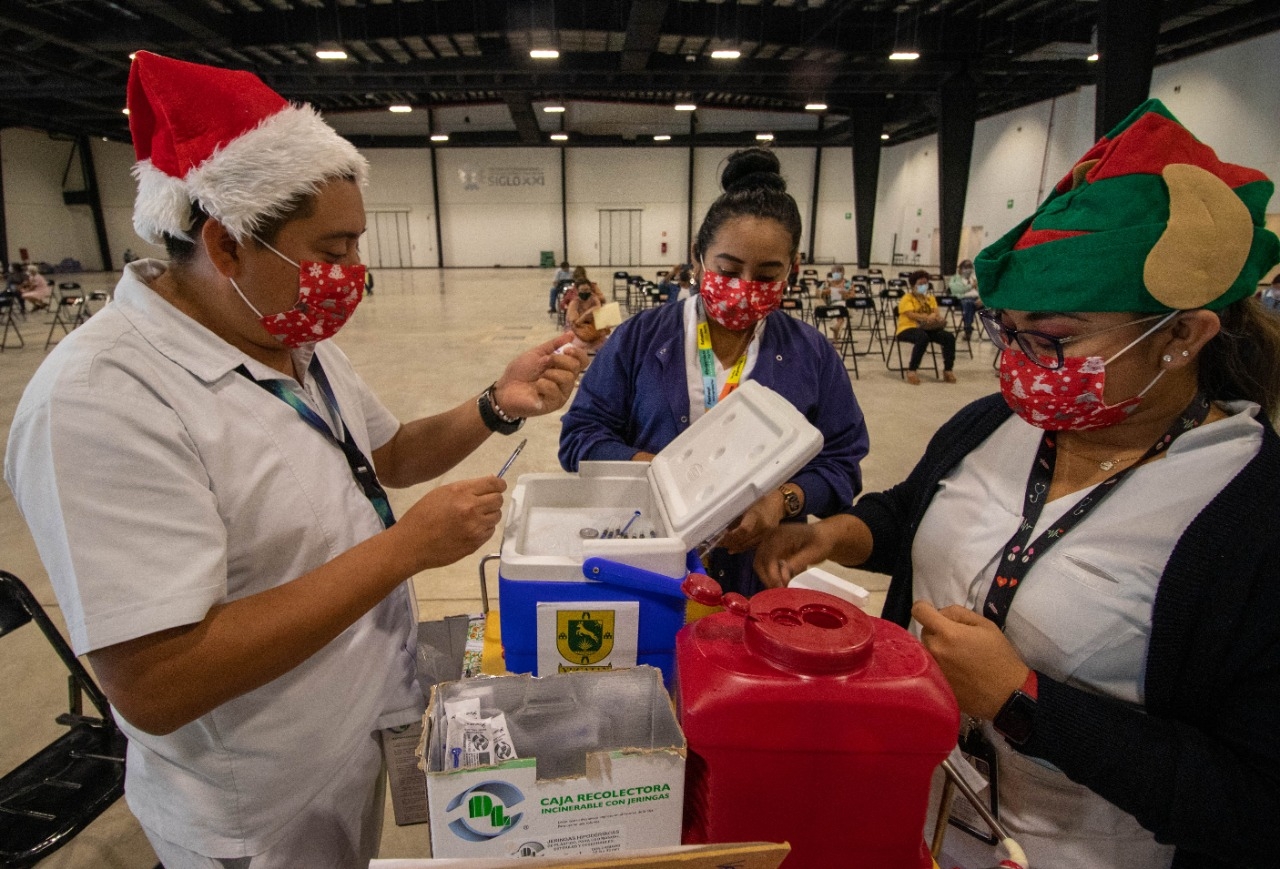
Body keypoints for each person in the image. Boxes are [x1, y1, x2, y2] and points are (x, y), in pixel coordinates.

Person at [4, 52, 585, 869]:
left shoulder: (284, 337)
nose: (354, 273)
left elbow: (382, 453)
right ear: (227, 243)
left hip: (348, 740)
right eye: (332, 247)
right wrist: (406, 549)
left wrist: (495, 402)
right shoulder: (103, 400)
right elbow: (158, 681)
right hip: (258, 808)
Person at [755, 100, 1280, 869]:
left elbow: (1253, 802)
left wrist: (1024, 702)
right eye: (1010, 332)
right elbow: (916, 513)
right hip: (916, 816)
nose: (1022, 363)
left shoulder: (1251, 518)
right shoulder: (996, 422)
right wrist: (839, 532)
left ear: (1182, 334)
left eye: (1056, 339)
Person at [559, 147, 870, 597]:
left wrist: (782, 501)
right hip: (648, 563)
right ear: (697, 257)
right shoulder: (640, 339)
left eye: (766, 275)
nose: (744, 288)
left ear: (793, 269)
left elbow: (842, 461)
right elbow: (580, 438)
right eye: (728, 269)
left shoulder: (811, 354)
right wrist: (657, 473)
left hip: (755, 578)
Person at [896, 269, 957, 384]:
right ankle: (912, 370)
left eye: (925, 283)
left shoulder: (930, 298)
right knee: (922, 337)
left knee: (949, 337)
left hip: (928, 328)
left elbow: (935, 312)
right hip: (907, 328)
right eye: (920, 284)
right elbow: (910, 314)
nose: (923, 286)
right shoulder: (907, 298)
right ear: (913, 285)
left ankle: (948, 370)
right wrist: (926, 317)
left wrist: (935, 317)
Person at [564, 277, 612, 351]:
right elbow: (576, 323)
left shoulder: (594, 298)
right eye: (582, 290)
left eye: (587, 290)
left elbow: (599, 315)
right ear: (577, 291)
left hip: (591, 330)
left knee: (609, 345)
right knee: (579, 345)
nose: (585, 292)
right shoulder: (574, 303)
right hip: (576, 331)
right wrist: (586, 314)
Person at [947, 258, 981, 338]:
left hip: (977, 299)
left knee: (994, 304)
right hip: (962, 299)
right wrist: (971, 286)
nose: (968, 270)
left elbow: (983, 291)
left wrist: (982, 299)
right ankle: (968, 328)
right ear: (961, 269)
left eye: (970, 267)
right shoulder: (955, 278)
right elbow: (956, 290)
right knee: (969, 303)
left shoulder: (974, 279)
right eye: (966, 267)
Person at [819, 265, 850, 342]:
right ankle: (837, 327)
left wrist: (845, 294)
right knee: (837, 310)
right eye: (834, 271)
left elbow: (852, 296)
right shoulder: (828, 283)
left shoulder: (847, 283)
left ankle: (836, 333)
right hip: (830, 304)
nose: (836, 273)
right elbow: (817, 293)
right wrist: (825, 291)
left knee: (839, 308)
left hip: (844, 304)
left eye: (838, 271)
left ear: (843, 272)